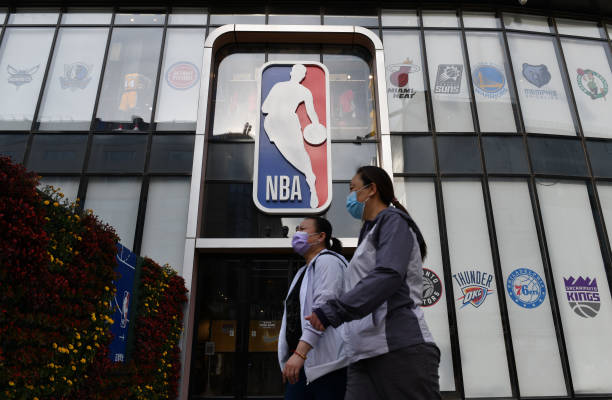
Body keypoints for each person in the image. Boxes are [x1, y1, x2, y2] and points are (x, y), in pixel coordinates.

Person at [305, 166, 441, 400]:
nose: (349, 197)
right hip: (362, 354)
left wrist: (334, 311)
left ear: (371, 190)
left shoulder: (393, 221)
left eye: (352, 189)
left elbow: (388, 275)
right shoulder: (369, 233)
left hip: (399, 348)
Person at [279, 216, 349, 399]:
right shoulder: (303, 271)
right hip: (304, 365)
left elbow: (323, 310)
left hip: (328, 367)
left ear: (321, 237)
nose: (297, 234)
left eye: (302, 229)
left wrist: (299, 354)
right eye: (297, 229)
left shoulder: (329, 261)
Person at [262, 64, 324, 208]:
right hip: (288, 122)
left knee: (293, 153)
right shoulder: (304, 91)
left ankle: (310, 179)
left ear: (291, 73)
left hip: (273, 123)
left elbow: (265, 108)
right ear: (301, 76)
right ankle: (310, 179)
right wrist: (316, 126)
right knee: (298, 153)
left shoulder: (278, 86)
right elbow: (312, 113)